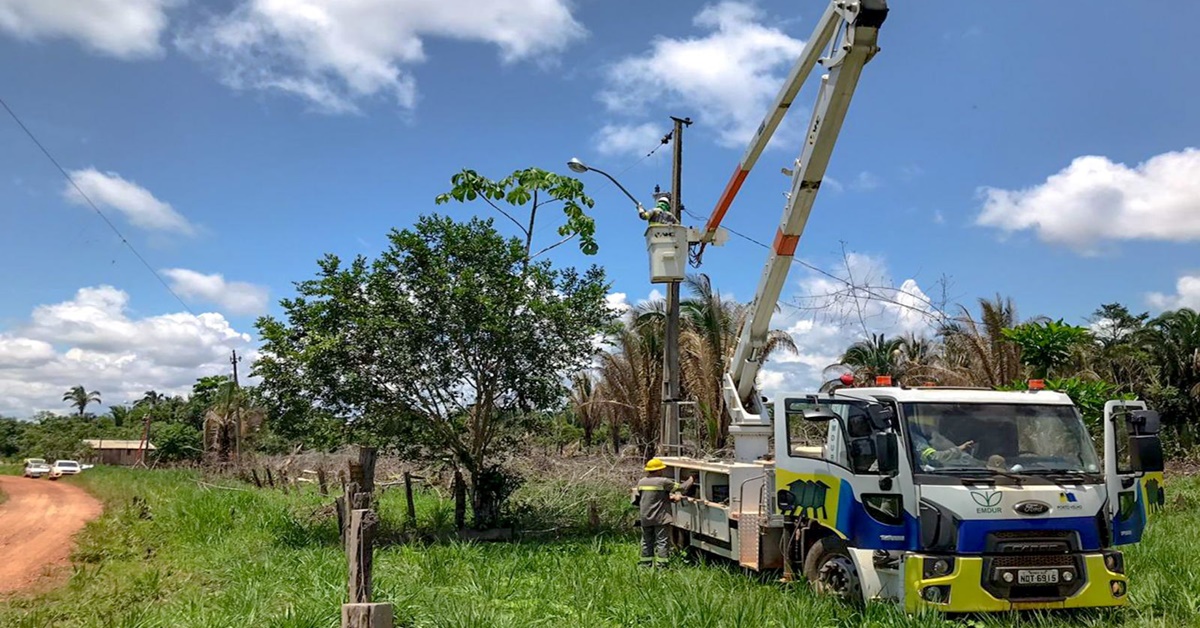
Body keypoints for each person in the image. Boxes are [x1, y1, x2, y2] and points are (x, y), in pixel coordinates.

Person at [631, 458, 694, 567]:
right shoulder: (663, 481)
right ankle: (662, 566)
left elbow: (650, 497)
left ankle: (645, 565)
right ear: (659, 470)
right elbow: (682, 488)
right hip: (660, 517)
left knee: (646, 541)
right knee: (662, 541)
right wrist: (692, 478)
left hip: (645, 517)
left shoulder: (642, 482)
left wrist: (668, 498)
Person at [909, 416, 979, 468]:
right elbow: (934, 457)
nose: (933, 428)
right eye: (929, 426)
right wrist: (960, 449)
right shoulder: (917, 440)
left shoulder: (933, 436)